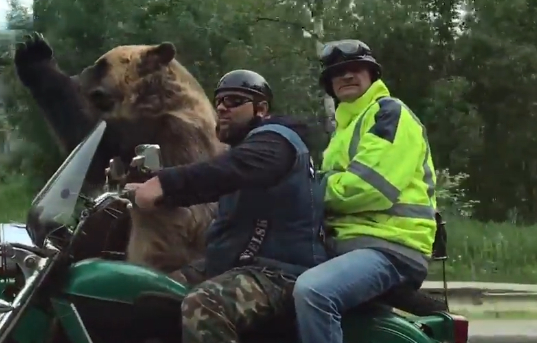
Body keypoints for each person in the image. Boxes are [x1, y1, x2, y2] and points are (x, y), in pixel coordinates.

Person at [125, 69, 327, 343]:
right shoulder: (248, 148)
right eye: (219, 100)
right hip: (233, 265)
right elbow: (213, 180)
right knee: (145, 289)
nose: (221, 107)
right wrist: (153, 192)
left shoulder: (277, 140)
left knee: (205, 305)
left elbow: (227, 171)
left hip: (278, 272)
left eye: (234, 101)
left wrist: (167, 183)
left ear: (261, 109)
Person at [292, 39, 438, 343]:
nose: (346, 76)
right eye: (338, 72)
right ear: (330, 85)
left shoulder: (388, 114)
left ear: (373, 76)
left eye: (356, 69)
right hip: (349, 245)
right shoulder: (343, 130)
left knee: (314, 292)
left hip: (390, 247)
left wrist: (308, 189)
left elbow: (370, 187)